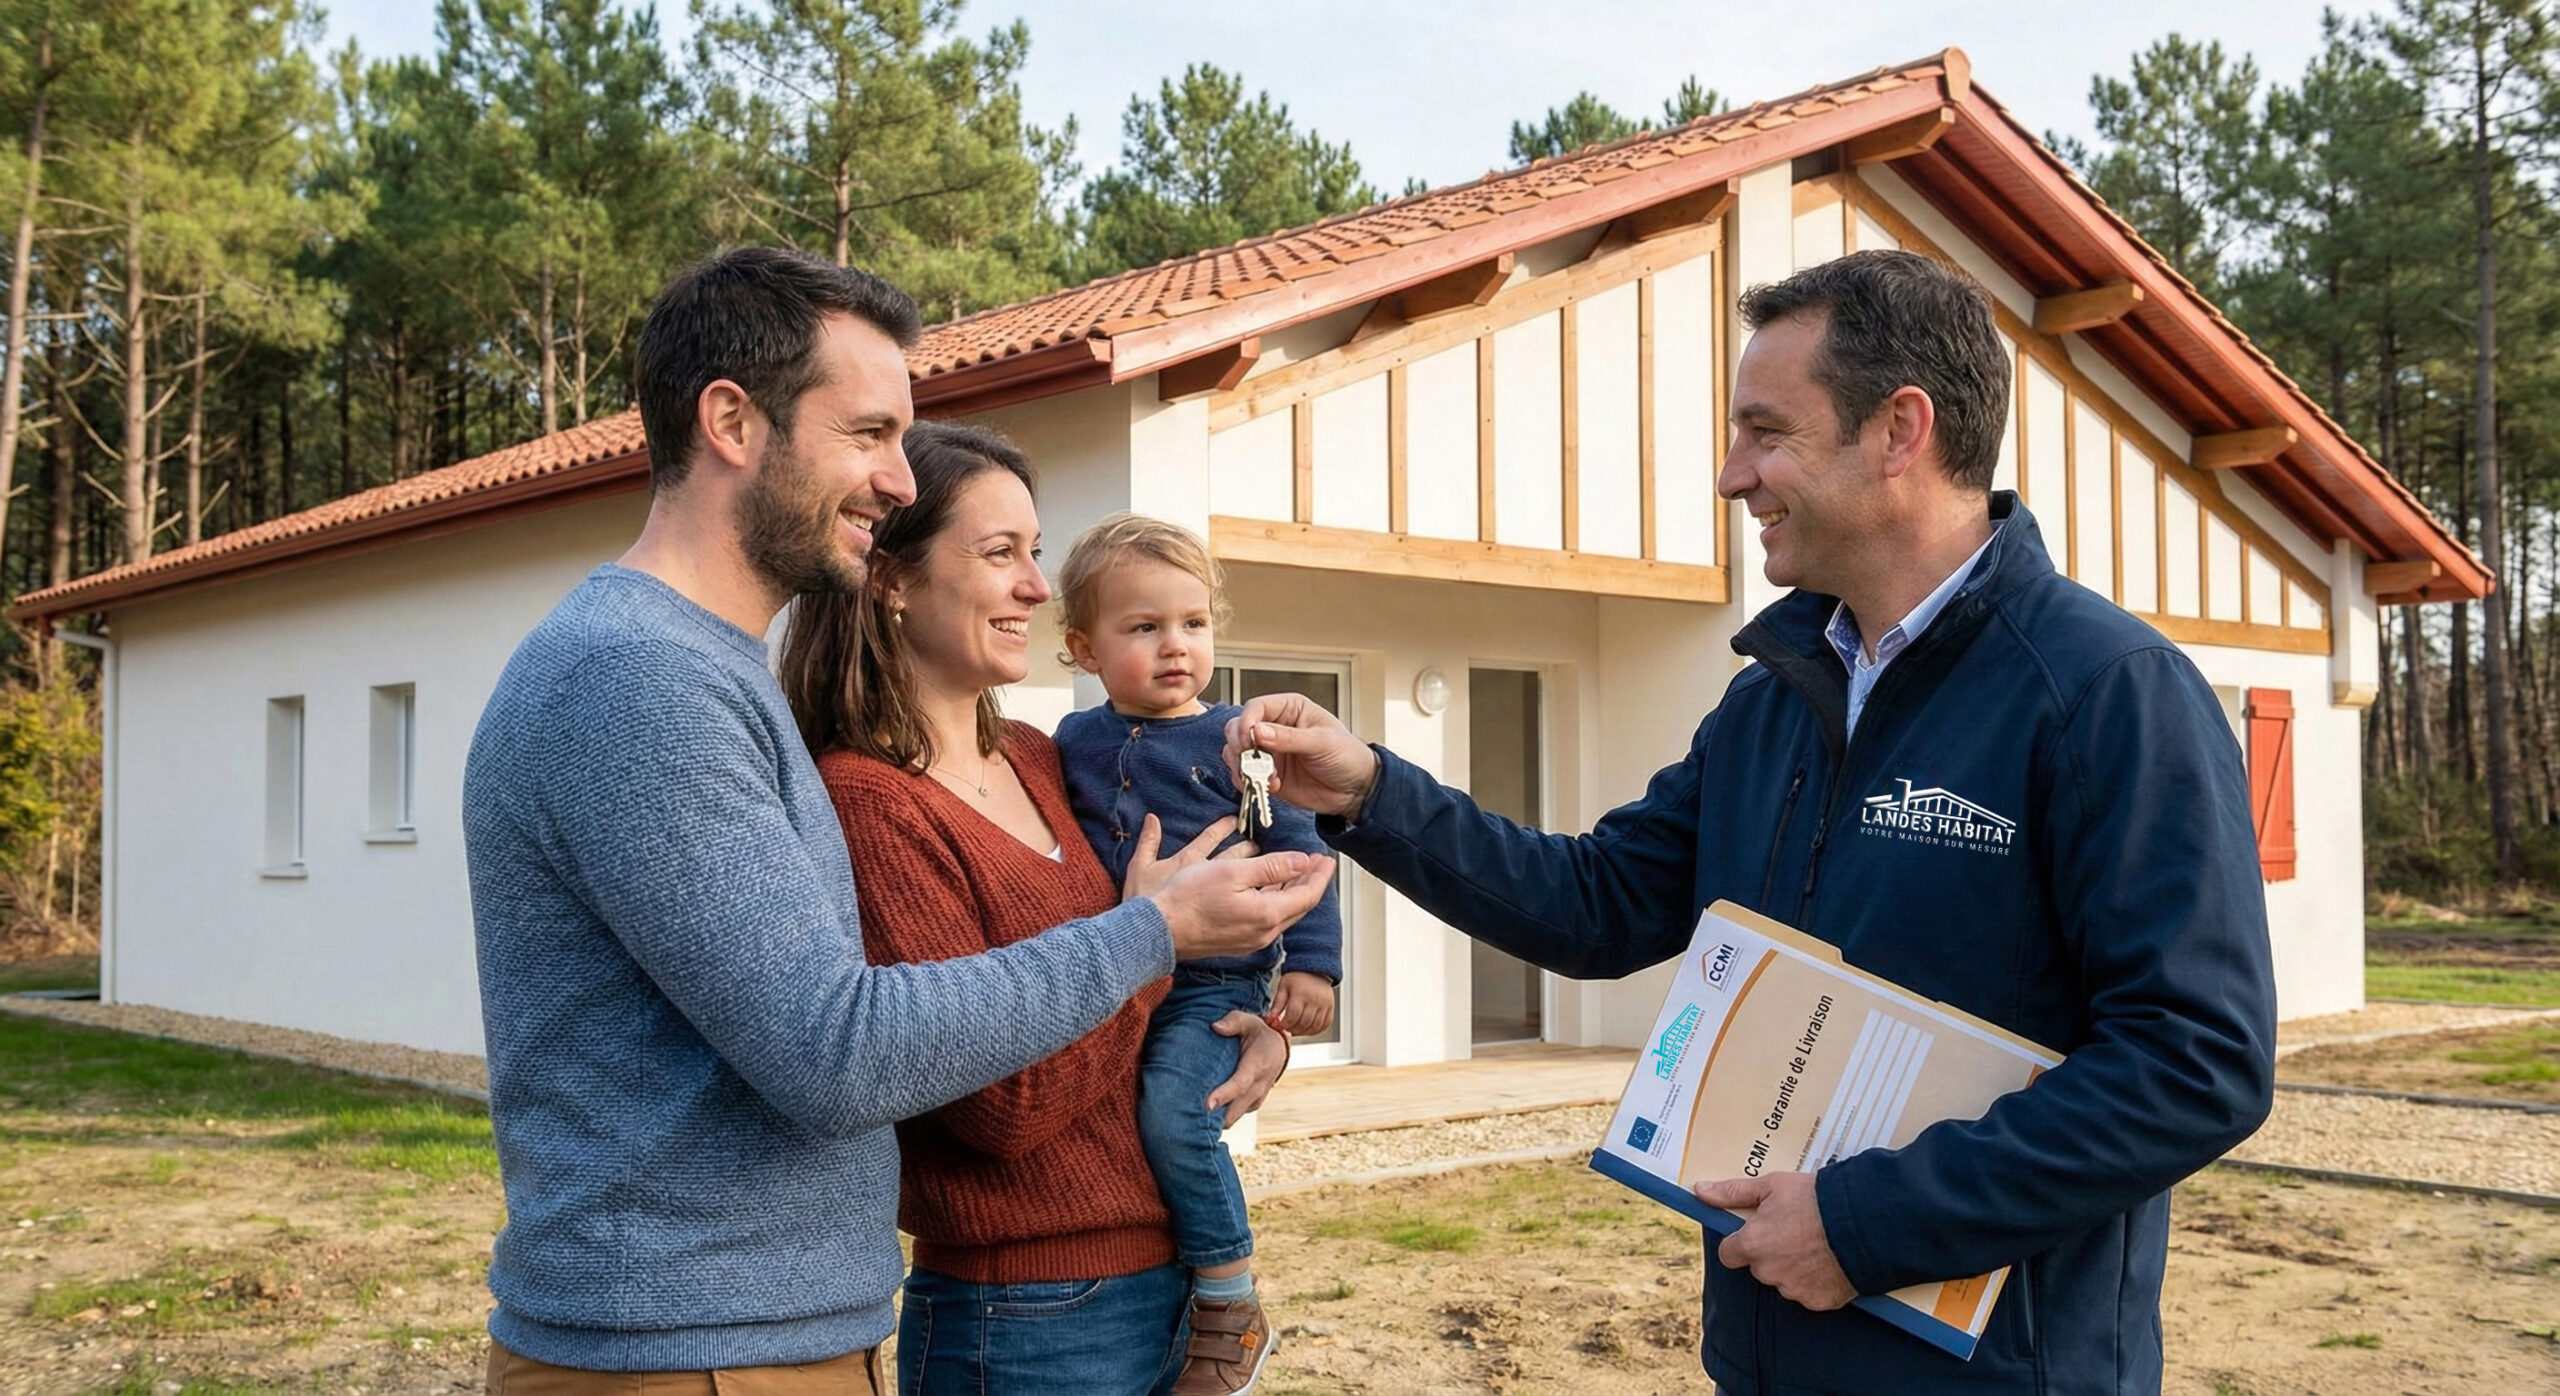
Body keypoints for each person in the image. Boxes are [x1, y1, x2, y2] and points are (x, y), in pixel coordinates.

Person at [1222, 249, 2278, 1395]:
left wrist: (1869, 1223)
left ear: (1898, 431)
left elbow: (2195, 1061)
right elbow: (1599, 903)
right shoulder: (1774, 695)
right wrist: (1371, 791)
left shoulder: (2107, 692)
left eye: (1764, 432)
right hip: (1769, 1348)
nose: (1733, 479)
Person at [461, 247, 1332, 1394]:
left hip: (770, 1342)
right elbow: (836, 1051)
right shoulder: (634, 682)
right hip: (689, 1356)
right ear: (731, 420)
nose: (897, 479)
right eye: (868, 433)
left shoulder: (708, 678)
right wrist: (1151, 936)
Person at [778, 424, 1332, 1396]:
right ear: (893, 580)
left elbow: (1143, 965)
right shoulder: (871, 802)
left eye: (1034, 552)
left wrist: (1263, 1030)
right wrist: (1156, 938)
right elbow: (1000, 1107)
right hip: (1024, 1313)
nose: (1036, 585)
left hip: (1160, 1281)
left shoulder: (1043, 760)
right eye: (1002, 553)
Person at [1050, 513, 1344, 1396]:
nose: (1175, 646)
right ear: (1081, 648)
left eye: (1193, 624)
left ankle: (1229, 1293)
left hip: (1215, 983)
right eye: (1143, 627)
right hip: (1119, 972)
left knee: (1177, 1112)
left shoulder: (1240, 744)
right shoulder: (1070, 745)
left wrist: (1313, 966)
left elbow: (1301, 849)